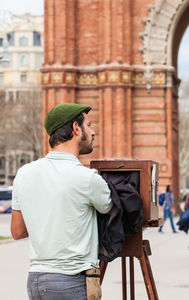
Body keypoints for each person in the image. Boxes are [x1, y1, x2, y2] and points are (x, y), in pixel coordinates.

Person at [11, 103, 113, 299]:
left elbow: (18, 231)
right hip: (71, 282)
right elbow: (110, 210)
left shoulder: (24, 174)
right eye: (89, 125)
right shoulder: (87, 178)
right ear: (76, 128)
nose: (93, 133)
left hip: (36, 280)